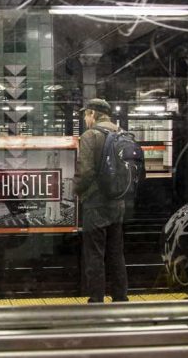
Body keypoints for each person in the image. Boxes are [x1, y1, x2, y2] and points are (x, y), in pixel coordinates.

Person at [74, 98, 128, 303]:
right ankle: (121, 298)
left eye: (86, 115)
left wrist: (77, 190)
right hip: (118, 204)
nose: (85, 119)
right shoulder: (121, 134)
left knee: (95, 254)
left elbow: (85, 172)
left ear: (93, 114)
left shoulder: (90, 136)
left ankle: (96, 299)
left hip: (96, 204)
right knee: (116, 253)